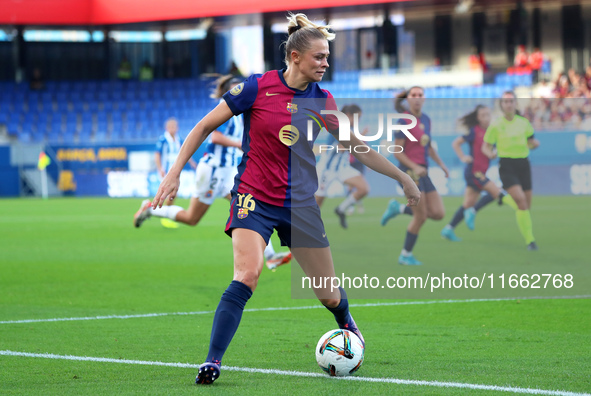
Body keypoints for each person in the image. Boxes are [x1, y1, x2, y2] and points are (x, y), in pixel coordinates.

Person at [151, 12, 420, 385]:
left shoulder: (322, 101)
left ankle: (345, 321)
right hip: (253, 197)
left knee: (327, 294)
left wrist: (402, 176)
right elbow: (204, 126)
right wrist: (174, 171)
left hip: (300, 204)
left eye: (327, 57)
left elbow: (358, 147)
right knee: (247, 274)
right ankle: (212, 361)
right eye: (319, 57)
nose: (326, 63)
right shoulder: (257, 88)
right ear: (295, 57)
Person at [133, 76, 291, 269]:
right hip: (213, 171)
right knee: (192, 218)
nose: (241, 91)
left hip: (227, 173)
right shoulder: (227, 107)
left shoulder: (243, 112)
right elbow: (215, 136)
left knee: (251, 207)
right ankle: (149, 209)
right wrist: (240, 145)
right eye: (235, 88)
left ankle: (271, 256)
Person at [380, 87, 449, 266]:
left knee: (438, 213)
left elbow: (429, 147)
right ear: (408, 99)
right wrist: (414, 167)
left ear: (424, 99)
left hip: (423, 171)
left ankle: (398, 209)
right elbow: (397, 152)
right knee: (421, 216)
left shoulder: (426, 119)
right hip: (410, 172)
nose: (417, 98)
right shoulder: (403, 120)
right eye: (414, 95)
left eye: (420, 95)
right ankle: (405, 255)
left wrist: (441, 165)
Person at [441, 105, 518, 241]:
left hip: (481, 171)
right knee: (496, 192)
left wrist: (493, 153)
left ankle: (449, 228)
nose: (487, 118)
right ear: (478, 118)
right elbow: (456, 143)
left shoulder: (492, 132)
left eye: (488, 114)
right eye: (483, 115)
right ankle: (474, 211)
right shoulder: (474, 131)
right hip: (474, 172)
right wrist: (463, 157)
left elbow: (492, 148)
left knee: (467, 203)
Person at [482, 91, 540, 250]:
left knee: (526, 206)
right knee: (520, 201)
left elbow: (530, 141)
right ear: (501, 105)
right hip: (507, 165)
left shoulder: (524, 123)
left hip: (524, 164)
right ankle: (530, 241)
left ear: (516, 104)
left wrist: (534, 144)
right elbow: (485, 146)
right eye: (505, 102)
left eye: (511, 101)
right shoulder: (496, 125)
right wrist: (490, 154)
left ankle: (502, 196)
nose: (508, 104)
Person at [315, 104, 370, 228]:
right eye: (358, 117)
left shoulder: (352, 129)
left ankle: (341, 209)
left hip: (342, 168)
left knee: (364, 188)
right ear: (349, 116)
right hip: (327, 170)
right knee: (318, 203)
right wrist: (360, 137)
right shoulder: (338, 127)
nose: (359, 120)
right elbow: (341, 147)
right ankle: (305, 229)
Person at [152, 117, 197, 228]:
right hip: (167, 171)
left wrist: (191, 162)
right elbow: (157, 155)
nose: (173, 129)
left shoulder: (178, 139)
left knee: (173, 194)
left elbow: (184, 151)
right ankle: (163, 216)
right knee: (167, 193)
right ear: (167, 128)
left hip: (176, 170)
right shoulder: (163, 140)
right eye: (171, 127)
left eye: (174, 127)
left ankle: (165, 215)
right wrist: (160, 168)